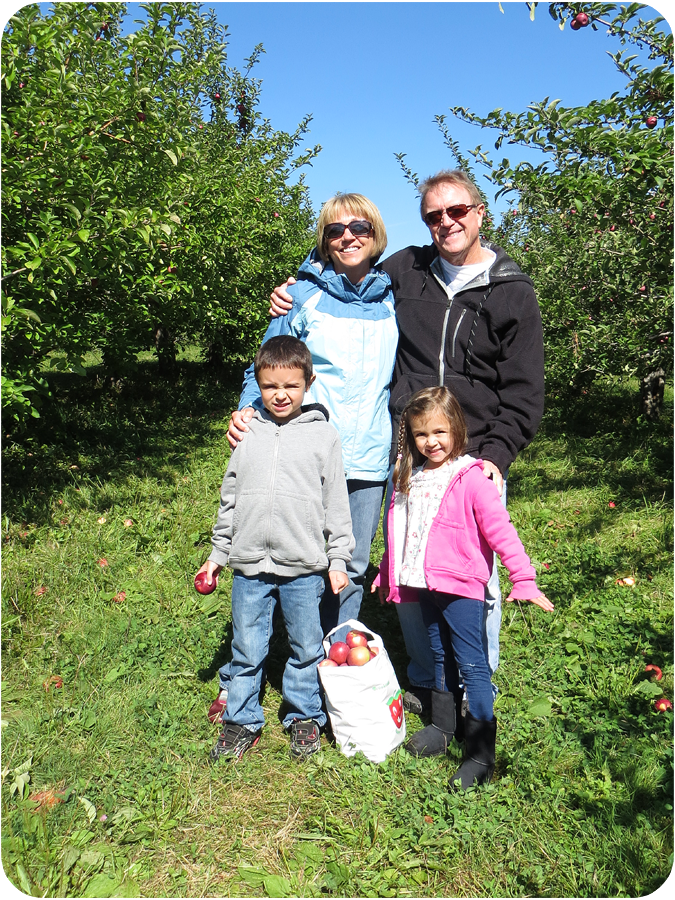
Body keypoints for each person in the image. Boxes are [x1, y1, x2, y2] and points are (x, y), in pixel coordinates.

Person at [269, 170, 545, 714]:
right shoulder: (408, 269)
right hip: (408, 448)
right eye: (434, 215)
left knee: (473, 575)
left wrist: (497, 455)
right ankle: (424, 675)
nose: (447, 222)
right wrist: (295, 285)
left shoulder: (512, 291)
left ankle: (474, 682)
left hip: (473, 455)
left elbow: (524, 391)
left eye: (457, 211)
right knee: (408, 568)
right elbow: (344, 262)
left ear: (479, 212)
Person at [373, 386, 553, 790]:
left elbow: (501, 531)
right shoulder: (411, 475)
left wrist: (523, 577)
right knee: (439, 654)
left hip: (461, 588)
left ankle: (480, 753)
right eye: (421, 434)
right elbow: (400, 530)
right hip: (424, 583)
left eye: (439, 431)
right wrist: (387, 571)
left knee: (472, 664)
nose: (431, 441)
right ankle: (443, 725)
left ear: (457, 428)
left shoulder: (470, 477)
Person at [197, 336, 354, 761]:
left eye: (290, 386)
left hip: (303, 566)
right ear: (258, 385)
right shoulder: (248, 432)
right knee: (247, 647)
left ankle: (305, 715)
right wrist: (217, 556)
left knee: (306, 646)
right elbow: (230, 498)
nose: (280, 395)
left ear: (309, 383)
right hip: (249, 565)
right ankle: (241, 719)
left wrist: (338, 558)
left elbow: (337, 503)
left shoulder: (323, 436)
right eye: (269, 386)